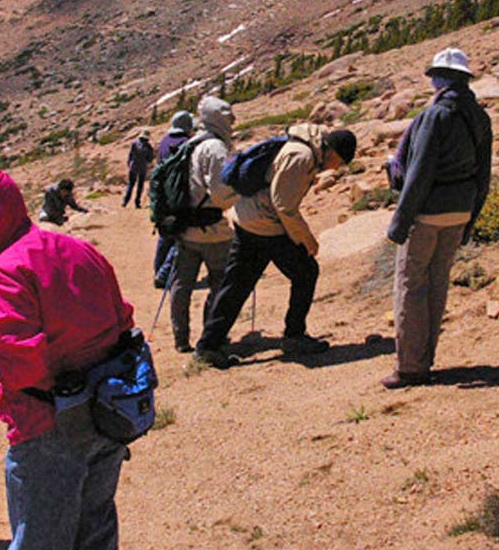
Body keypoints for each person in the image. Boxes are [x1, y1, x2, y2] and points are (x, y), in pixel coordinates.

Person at [0, 168, 135, 550]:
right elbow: (121, 320)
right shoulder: (77, 249)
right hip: (108, 410)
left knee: (40, 546)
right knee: (94, 530)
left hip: (47, 425)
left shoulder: (4, 275)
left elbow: (21, 366)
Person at [195, 125, 357, 368]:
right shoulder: (301, 156)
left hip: (249, 220)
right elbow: (283, 205)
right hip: (265, 224)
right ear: (333, 151)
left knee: (236, 285)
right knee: (306, 272)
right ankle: (294, 337)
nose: (336, 168)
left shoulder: (304, 150)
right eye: (340, 161)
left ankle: (208, 346)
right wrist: (306, 238)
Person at [382, 47, 493, 389]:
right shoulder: (478, 115)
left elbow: (419, 172)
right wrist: (472, 218)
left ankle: (412, 367)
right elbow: (484, 173)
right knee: (437, 283)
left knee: (411, 285)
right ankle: (425, 358)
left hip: (428, 212)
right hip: (460, 209)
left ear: (440, 79)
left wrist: (400, 221)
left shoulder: (435, 116)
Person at [169, 97, 236, 352]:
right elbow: (220, 192)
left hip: (186, 228)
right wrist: (241, 193)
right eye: (228, 116)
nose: (232, 121)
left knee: (181, 285)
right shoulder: (215, 147)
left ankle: (180, 339)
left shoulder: (191, 144)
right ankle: (212, 337)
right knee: (220, 282)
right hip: (213, 231)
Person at [153, 111, 195, 288]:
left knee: (164, 235)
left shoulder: (164, 142)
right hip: (178, 196)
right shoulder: (186, 144)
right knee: (180, 237)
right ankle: (163, 274)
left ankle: (157, 270)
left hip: (161, 197)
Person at [122, 130, 154, 208]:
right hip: (142, 167)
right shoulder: (148, 146)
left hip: (133, 166)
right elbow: (150, 158)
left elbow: (130, 155)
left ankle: (125, 201)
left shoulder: (134, 143)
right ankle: (137, 202)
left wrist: (129, 163)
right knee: (140, 185)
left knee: (131, 184)